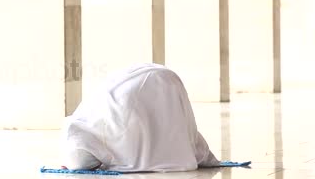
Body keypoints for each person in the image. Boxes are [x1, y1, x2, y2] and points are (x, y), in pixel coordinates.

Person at [62, 63, 220, 172]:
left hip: (152, 85)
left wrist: (71, 165)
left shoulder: (82, 127)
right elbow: (197, 146)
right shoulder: (96, 110)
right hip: (169, 80)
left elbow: (78, 161)